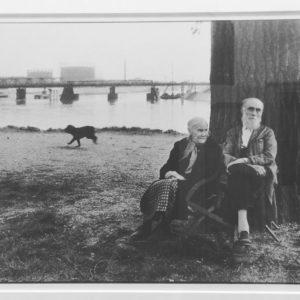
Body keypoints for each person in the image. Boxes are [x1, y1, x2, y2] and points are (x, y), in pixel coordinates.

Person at [130, 117, 225, 241]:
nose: (203, 134)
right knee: (166, 184)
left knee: (168, 185)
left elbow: (211, 174)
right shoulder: (180, 145)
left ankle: (151, 223)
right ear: (190, 130)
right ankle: (156, 219)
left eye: (205, 130)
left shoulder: (213, 148)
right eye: (199, 130)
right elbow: (166, 168)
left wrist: (182, 178)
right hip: (176, 183)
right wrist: (170, 173)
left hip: (201, 187)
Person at [223, 98, 277, 247]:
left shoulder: (267, 132)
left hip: (261, 173)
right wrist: (243, 165)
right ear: (242, 111)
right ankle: (244, 229)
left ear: (261, 113)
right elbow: (225, 155)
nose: (254, 112)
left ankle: (242, 228)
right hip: (240, 174)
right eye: (250, 109)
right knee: (239, 175)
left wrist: (246, 161)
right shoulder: (233, 132)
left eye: (258, 110)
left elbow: (269, 156)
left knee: (238, 172)